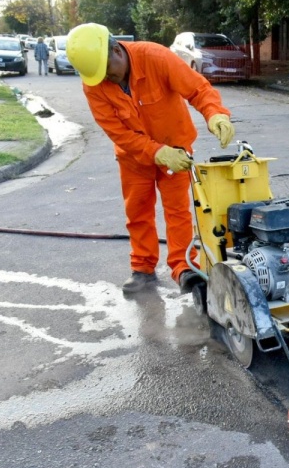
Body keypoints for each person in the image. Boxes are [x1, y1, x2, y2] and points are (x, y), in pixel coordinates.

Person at [67, 23, 235, 294]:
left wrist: (215, 113)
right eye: (98, 77)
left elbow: (197, 89)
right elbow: (119, 134)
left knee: (177, 211)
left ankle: (183, 268)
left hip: (177, 151)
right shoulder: (94, 85)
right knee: (138, 211)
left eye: (108, 72)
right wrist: (157, 153)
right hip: (134, 157)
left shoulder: (155, 58)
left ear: (116, 50)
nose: (106, 80)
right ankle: (143, 269)